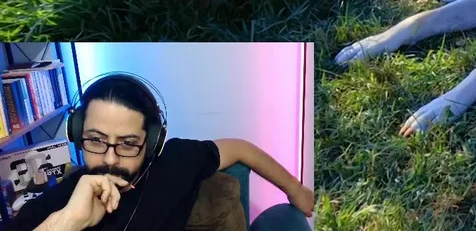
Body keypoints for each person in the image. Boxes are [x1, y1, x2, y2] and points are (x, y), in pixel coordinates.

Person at [10, 75, 314, 231]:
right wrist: (68, 222)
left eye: (128, 143)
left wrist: (295, 189)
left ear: (153, 142)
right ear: (77, 135)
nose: (110, 159)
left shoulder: (175, 163)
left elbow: (239, 148)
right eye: (96, 140)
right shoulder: (56, 205)